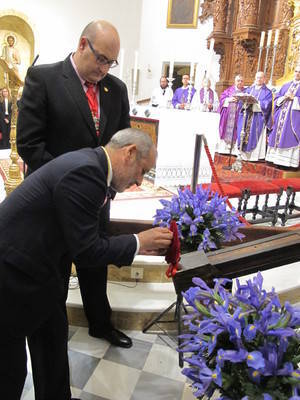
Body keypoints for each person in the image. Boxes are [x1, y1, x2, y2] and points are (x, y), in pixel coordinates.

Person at [0, 128, 173, 400]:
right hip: (13, 273)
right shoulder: (86, 172)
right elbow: (87, 251)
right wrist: (139, 242)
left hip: (42, 272)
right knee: (9, 370)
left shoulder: (92, 165)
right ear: (129, 153)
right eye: (142, 170)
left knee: (52, 345)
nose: (139, 181)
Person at [17, 20, 133, 350]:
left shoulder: (116, 89)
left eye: (111, 62)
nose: (105, 68)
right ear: (83, 44)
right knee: (53, 267)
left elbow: (121, 145)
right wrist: (71, 185)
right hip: (52, 200)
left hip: (98, 197)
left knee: (94, 265)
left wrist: (109, 186)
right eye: (101, 59)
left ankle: (101, 323)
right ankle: (52, 333)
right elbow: (30, 145)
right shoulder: (45, 79)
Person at [266, 66, 300, 168]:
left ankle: (287, 163)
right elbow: (276, 99)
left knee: (289, 137)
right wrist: (284, 97)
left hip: (293, 119)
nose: (297, 74)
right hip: (281, 116)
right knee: (277, 135)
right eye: (296, 71)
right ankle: (275, 159)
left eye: (299, 72)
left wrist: (294, 99)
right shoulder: (286, 85)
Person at [236, 71, 273, 161]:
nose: (258, 79)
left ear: (264, 79)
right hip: (247, 115)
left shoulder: (267, 92)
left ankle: (253, 156)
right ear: (255, 78)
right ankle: (242, 154)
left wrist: (256, 103)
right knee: (242, 131)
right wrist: (244, 100)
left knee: (253, 133)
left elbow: (267, 105)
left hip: (257, 117)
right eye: (257, 77)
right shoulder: (249, 89)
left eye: (261, 78)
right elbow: (242, 101)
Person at [216, 74, 245, 154]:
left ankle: (234, 150)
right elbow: (222, 99)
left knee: (237, 130)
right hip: (228, 116)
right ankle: (224, 149)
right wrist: (229, 99)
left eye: (241, 81)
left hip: (239, 116)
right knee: (226, 129)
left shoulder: (245, 91)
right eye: (238, 80)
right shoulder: (229, 90)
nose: (240, 82)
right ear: (235, 81)